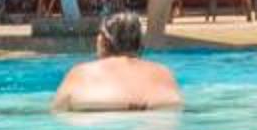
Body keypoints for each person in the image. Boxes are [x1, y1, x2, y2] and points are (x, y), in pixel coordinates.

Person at [52, 11, 184, 113]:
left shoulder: (81, 72)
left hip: (101, 129)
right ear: (139, 43)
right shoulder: (164, 72)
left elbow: (57, 110)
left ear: (102, 41)